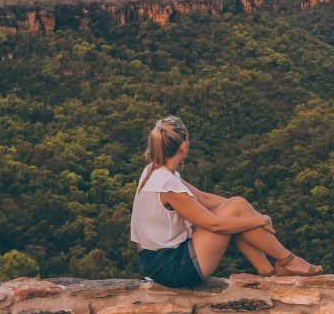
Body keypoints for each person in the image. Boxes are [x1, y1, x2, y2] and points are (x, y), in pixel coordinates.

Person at [130, 116, 323, 288]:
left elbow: (204, 199)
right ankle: (287, 260)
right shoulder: (167, 184)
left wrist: (245, 211)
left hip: (158, 262)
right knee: (235, 212)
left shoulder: (154, 172)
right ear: (183, 146)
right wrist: (260, 220)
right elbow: (215, 224)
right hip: (172, 267)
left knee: (237, 207)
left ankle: (269, 272)